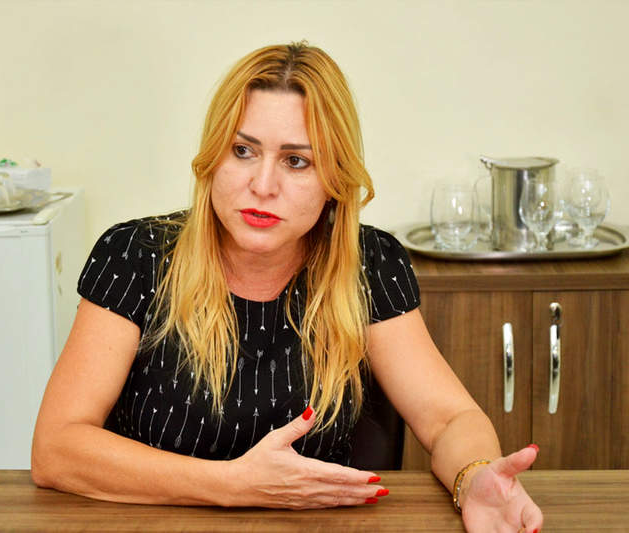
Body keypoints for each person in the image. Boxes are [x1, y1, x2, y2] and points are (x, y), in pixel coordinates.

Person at [31, 42, 543, 532]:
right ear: (212, 159)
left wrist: (473, 476)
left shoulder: (369, 263)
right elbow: (57, 449)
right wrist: (231, 486)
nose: (262, 185)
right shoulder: (134, 255)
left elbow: (449, 417)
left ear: (334, 179)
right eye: (242, 150)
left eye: (296, 161)